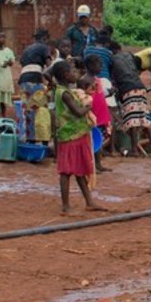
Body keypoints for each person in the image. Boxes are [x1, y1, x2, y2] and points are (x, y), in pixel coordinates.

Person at [52, 59, 103, 214]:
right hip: (69, 135)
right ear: (66, 75)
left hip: (76, 134)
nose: (76, 74)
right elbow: (78, 112)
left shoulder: (64, 91)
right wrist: (89, 105)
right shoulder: (65, 94)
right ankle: (66, 206)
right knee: (66, 171)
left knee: (80, 169)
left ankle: (89, 201)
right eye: (73, 71)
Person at [109, 42, 151, 157]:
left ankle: (134, 150)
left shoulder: (112, 59)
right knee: (145, 118)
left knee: (132, 120)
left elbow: (115, 78)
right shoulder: (129, 55)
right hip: (140, 87)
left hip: (128, 89)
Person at [18, 29, 53, 141]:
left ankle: (28, 138)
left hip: (23, 79)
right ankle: (42, 139)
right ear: (45, 38)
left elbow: (22, 63)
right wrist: (52, 82)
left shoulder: (27, 49)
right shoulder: (44, 48)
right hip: (35, 78)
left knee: (27, 109)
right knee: (40, 110)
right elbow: (49, 67)